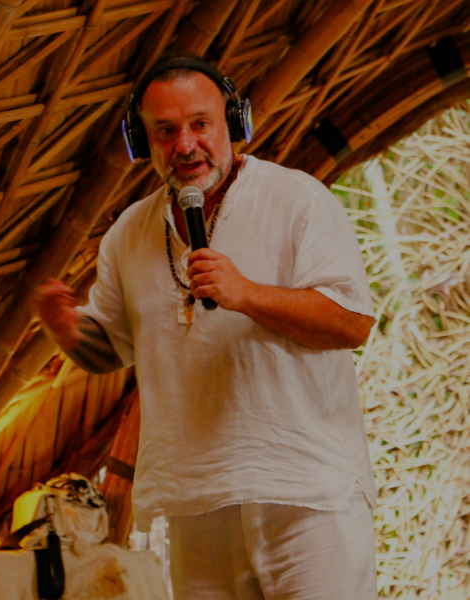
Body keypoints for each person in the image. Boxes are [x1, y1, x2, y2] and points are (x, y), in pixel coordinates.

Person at [35, 55, 378, 600]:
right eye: (165, 131)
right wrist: (68, 331)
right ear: (140, 141)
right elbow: (111, 348)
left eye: (200, 124)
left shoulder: (297, 199)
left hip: (310, 496)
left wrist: (247, 293)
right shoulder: (128, 234)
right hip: (196, 504)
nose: (186, 145)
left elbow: (351, 323)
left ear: (234, 123)